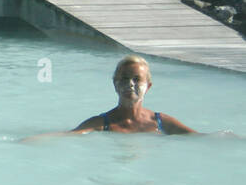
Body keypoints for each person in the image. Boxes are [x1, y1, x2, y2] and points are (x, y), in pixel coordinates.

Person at [67, 55, 195, 135]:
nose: (130, 84)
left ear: (148, 87)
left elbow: (201, 139)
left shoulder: (161, 122)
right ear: (115, 84)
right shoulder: (100, 124)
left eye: (137, 79)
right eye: (124, 78)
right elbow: (64, 137)